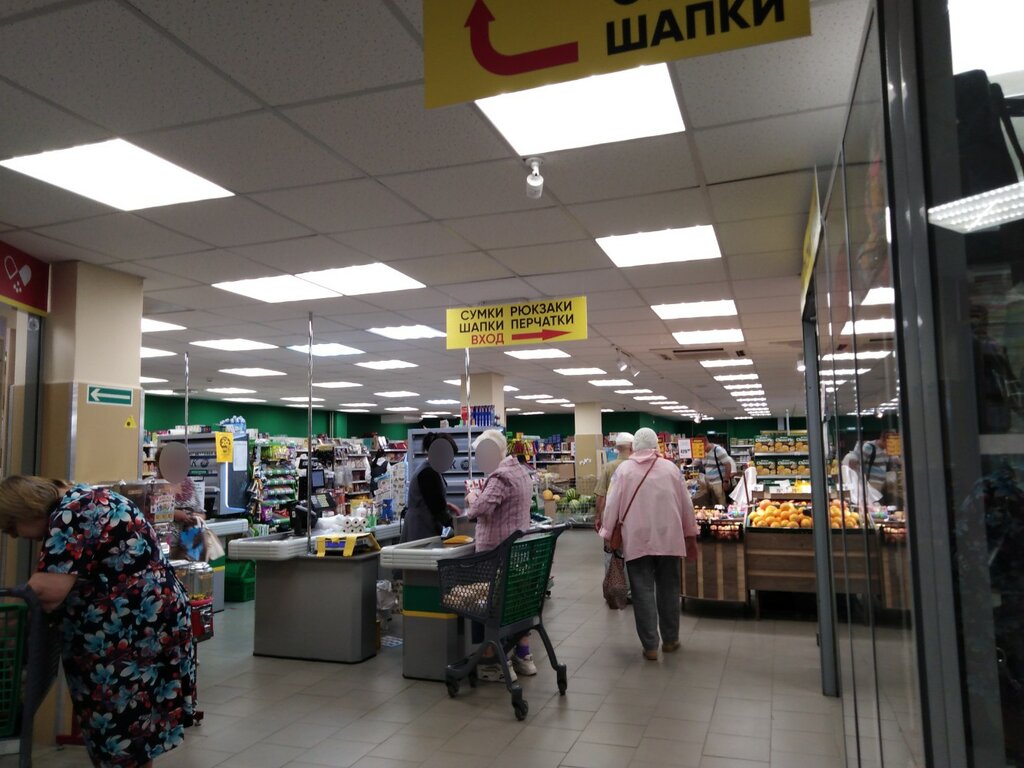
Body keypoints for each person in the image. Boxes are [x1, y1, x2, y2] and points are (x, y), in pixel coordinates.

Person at [0, 476, 196, 767]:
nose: (16, 536)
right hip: (153, 617)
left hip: (128, 631)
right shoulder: (85, 496)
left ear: (25, 510)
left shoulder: (71, 514)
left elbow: (48, 591)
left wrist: (8, 619)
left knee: (123, 731)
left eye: (12, 527)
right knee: (137, 731)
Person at [600, 428, 699, 660]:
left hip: (636, 539)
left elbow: (612, 504)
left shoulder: (624, 471)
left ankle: (651, 646)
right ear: (656, 446)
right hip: (669, 538)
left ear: (634, 447)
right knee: (669, 588)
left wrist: (607, 532)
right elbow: (686, 504)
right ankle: (671, 640)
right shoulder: (671, 469)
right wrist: (690, 533)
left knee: (642, 591)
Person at [465, 429, 534, 681]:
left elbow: (480, 509)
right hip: (516, 551)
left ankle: (495, 662)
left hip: (496, 552)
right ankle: (523, 656)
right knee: (516, 604)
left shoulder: (500, 476)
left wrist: (472, 496)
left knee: (489, 607)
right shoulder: (521, 471)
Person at [400, 432, 461, 543]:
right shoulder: (428, 473)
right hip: (420, 529)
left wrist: (446, 504)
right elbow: (437, 508)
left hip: (423, 526)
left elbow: (428, 498)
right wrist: (458, 526)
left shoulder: (430, 469)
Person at [594, 432, 634, 530]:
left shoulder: (609, 467)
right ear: (632, 448)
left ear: (617, 448)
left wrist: (597, 517)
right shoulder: (637, 466)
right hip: (633, 517)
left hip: (612, 518)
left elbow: (601, 495)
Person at [703, 439, 734, 507]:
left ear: (705, 442)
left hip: (718, 482)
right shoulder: (701, 452)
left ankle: (723, 513)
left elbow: (728, 465)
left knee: (721, 504)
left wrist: (726, 481)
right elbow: (695, 463)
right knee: (713, 505)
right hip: (709, 483)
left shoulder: (718, 450)